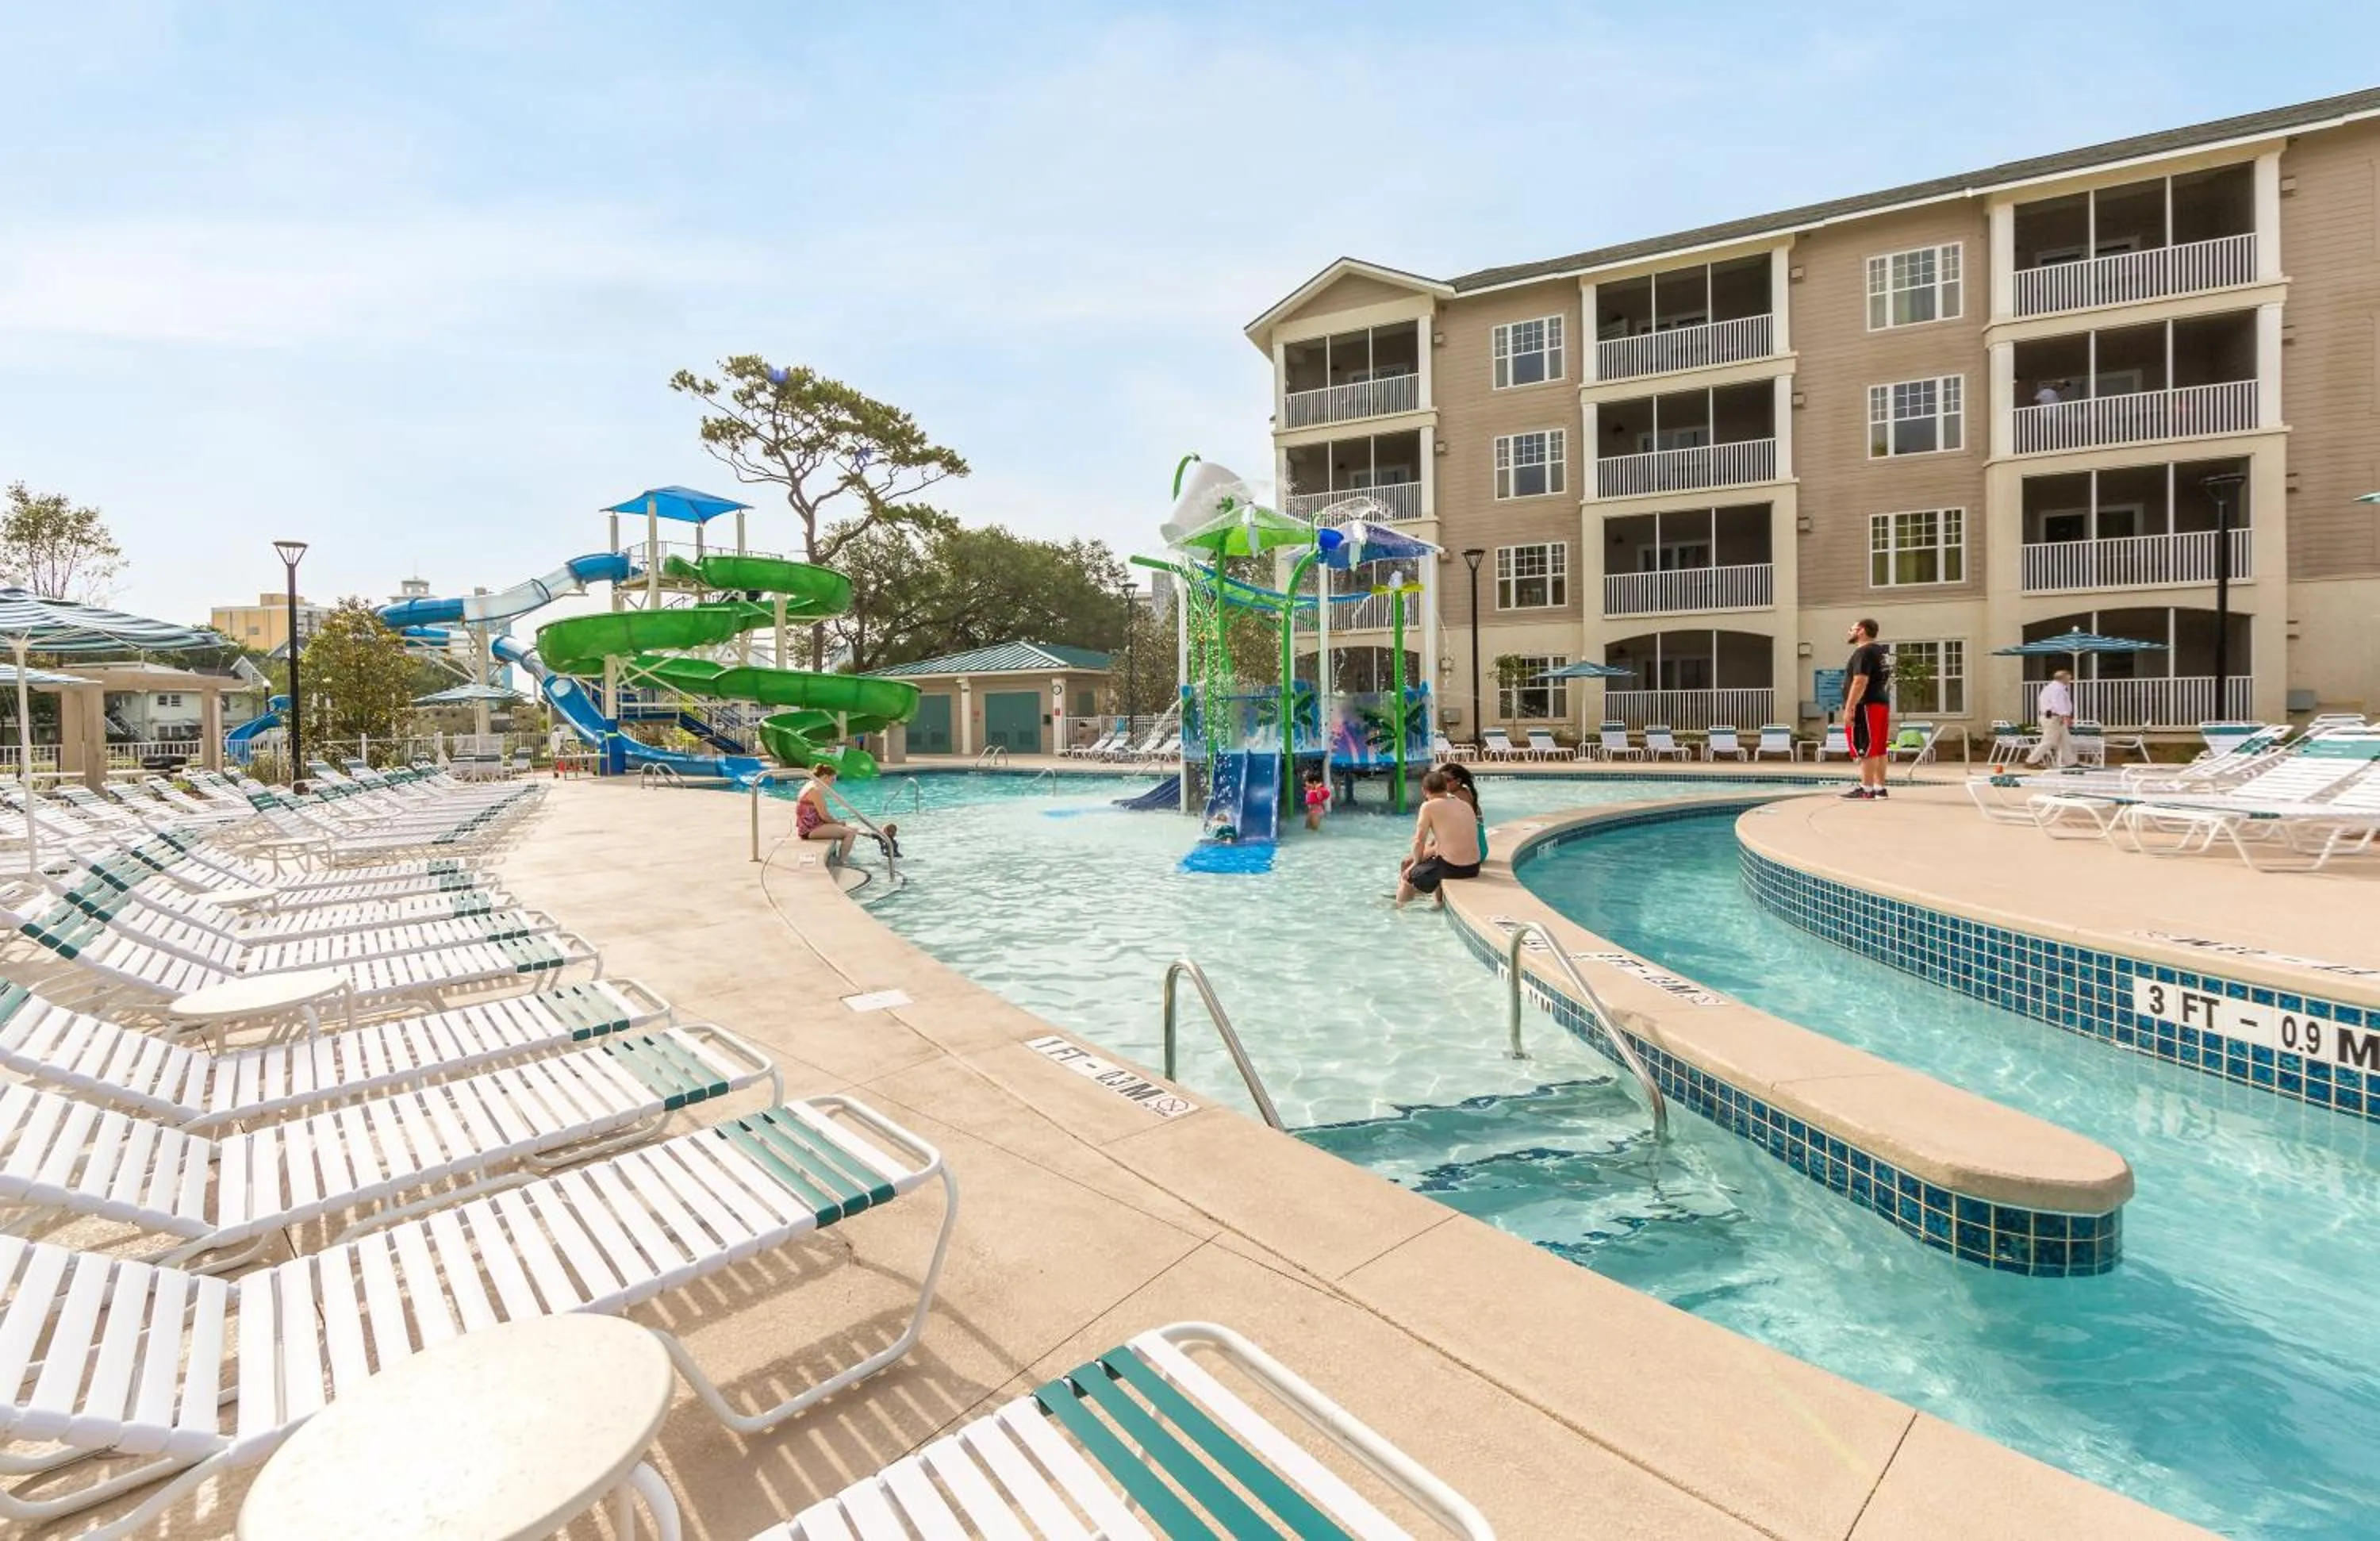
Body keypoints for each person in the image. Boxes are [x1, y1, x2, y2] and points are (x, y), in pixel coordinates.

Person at [1396, 770, 1484, 910]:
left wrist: (1415, 864)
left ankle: (1399, 910)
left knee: (1407, 876)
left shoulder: (1428, 806)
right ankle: (1438, 904)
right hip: (1474, 867)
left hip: (1454, 868)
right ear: (1446, 787)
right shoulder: (1463, 805)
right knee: (1437, 859)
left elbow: (1419, 840)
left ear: (1424, 791)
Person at [1841, 618, 1892, 801]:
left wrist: (1849, 708)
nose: (1849, 632)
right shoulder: (1881, 652)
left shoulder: (1863, 652)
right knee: (1878, 748)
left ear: (1861, 631)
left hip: (1866, 705)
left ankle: (1866, 789)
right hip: (1880, 703)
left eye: (1852, 629)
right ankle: (1879, 788)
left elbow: (1860, 680)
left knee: (1866, 747)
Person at [795, 763, 859, 864]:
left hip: (810, 825)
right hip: (810, 829)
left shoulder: (811, 784)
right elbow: (824, 815)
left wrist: (837, 823)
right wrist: (837, 823)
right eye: (832, 779)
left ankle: (842, 857)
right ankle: (841, 862)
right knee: (850, 833)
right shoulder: (815, 790)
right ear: (825, 777)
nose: (833, 783)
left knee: (852, 829)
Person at [2028, 668, 2078, 769]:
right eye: (2068, 678)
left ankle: (2071, 762)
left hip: (2053, 717)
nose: (2069, 681)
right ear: (2063, 678)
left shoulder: (2050, 688)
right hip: (2054, 718)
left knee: (2065, 740)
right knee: (2048, 741)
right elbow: (2058, 704)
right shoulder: (2057, 689)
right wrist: (2065, 716)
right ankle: (2031, 761)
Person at [1302, 767, 1330, 831]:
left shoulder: (1320, 790)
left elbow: (1324, 796)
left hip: (1317, 811)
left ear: (1314, 783)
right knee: (1307, 828)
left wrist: (1317, 789)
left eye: (1308, 782)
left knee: (1314, 830)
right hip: (1311, 811)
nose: (1306, 784)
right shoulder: (1310, 789)